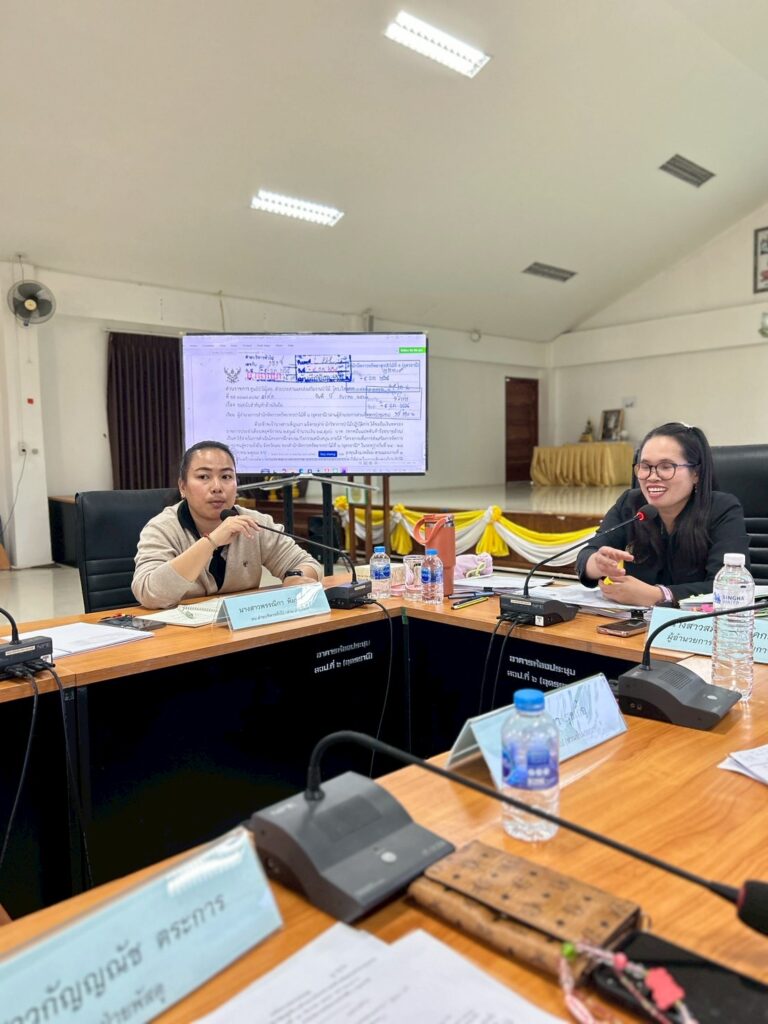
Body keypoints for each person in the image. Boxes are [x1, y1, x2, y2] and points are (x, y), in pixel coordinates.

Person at [132, 440, 322, 609]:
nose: (217, 487)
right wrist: (211, 542)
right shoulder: (162, 528)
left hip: (242, 630)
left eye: (226, 477)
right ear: (183, 487)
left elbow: (307, 564)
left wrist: (295, 577)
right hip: (180, 634)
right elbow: (150, 594)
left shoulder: (254, 523)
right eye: (203, 477)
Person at [576, 422, 750, 606]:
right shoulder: (630, 503)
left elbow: (730, 587)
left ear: (696, 473)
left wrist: (659, 595)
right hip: (632, 620)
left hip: (697, 622)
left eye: (666, 467)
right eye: (645, 466)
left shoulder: (722, 509)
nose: (652, 477)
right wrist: (597, 564)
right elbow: (587, 554)